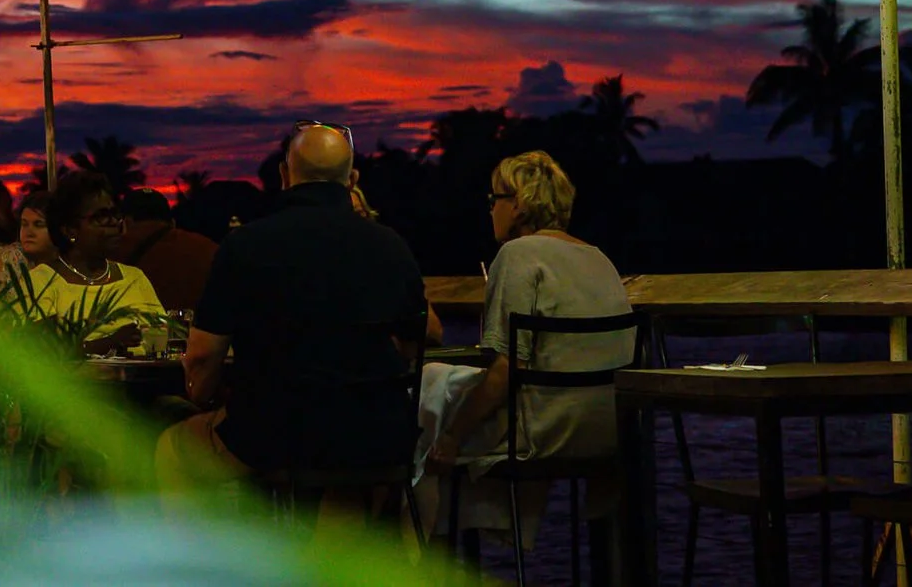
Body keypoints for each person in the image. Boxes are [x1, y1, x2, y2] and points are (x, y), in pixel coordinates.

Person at [154, 122, 425, 498]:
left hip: (279, 435)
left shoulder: (245, 245)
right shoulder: (391, 246)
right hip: (378, 435)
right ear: (352, 179)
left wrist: (201, 397)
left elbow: (201, 355)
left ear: (285, 174)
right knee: (347, 480)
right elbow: (412, 344)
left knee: (173, 447)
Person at [420, 150, 633, 536]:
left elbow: (504, 371)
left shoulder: (518, 254)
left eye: (493, 200)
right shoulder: (599, 258)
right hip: (607, 433)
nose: (490, 211)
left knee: (426, 397)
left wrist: (452, 437)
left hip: (543, 434)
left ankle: (418, 553)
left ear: (517, 206)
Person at [24, 173, 165, 352]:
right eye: (102, 217)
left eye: (115, 214)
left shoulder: (134, 278)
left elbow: (163, 337)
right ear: (70, 230)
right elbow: (43, 355)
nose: (114, 223)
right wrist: (108, 343)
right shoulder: (41, 282)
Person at [117, 187, 218, 315]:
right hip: (196, 331)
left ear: (126, 222)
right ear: (172, 222)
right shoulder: (207, 248)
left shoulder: (111, 253)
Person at [0, 188, 59, 292]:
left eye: (38, 225)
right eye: (24, 224)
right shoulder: (11, 258)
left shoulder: (70, 262)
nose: (29, 232)